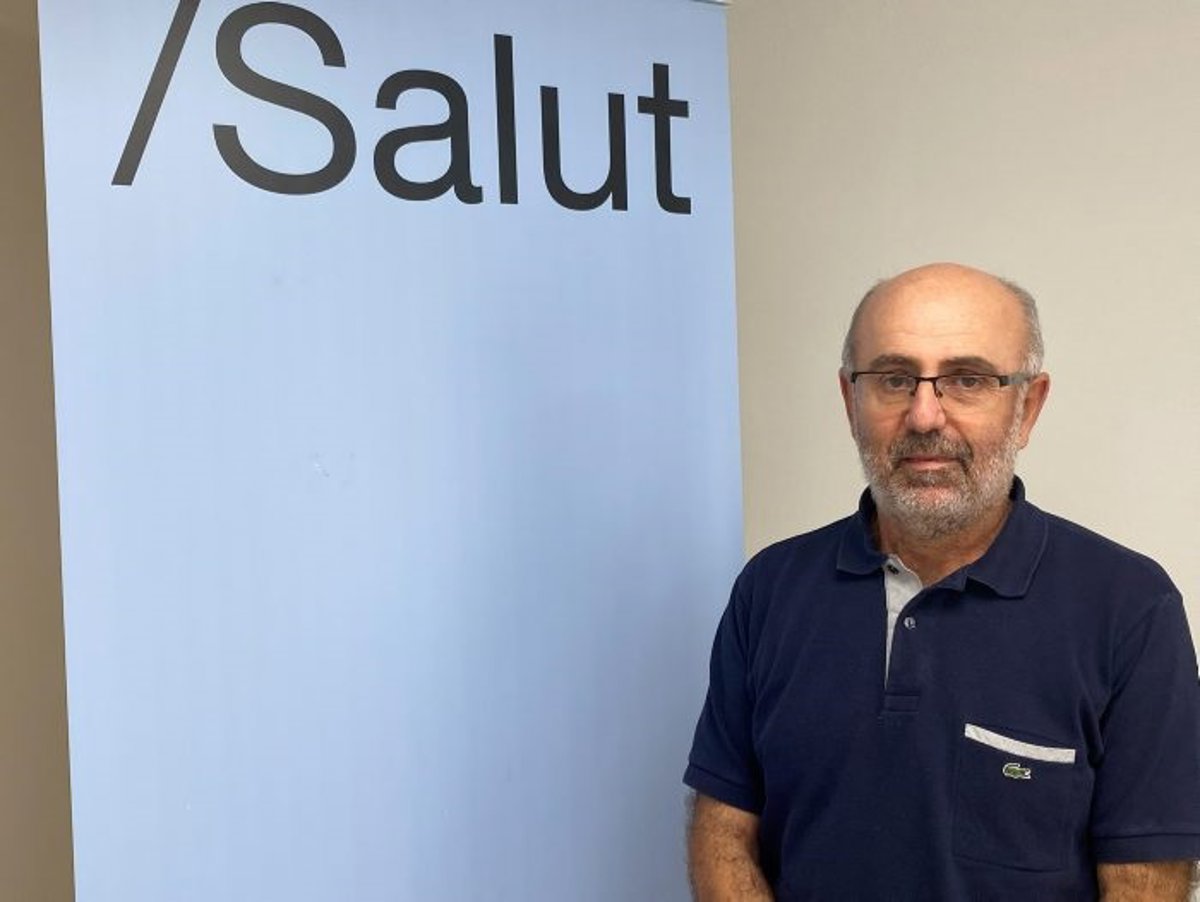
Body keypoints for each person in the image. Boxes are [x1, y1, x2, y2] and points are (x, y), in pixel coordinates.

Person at [684, 263, 1200, 900]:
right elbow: (723, 827)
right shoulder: (770, 589)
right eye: (894, 379)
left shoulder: (1129, 607)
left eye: (967, 380)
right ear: (850, 401)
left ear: (1028, 407)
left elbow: (1145, 880)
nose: (925, 416)